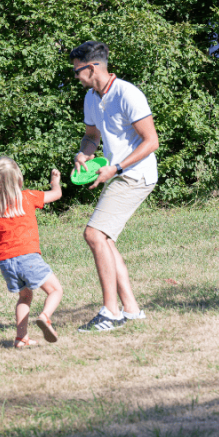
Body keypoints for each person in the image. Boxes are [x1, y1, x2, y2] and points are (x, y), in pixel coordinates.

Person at [70, 41, 159, 332]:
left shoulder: (128, 93)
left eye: (77, 70)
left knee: (94, 234)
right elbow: (92, 136)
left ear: (92, 67)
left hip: (135, 174)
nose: (75, 76)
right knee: (104, 239)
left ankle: (111, 312)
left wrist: (117, 168)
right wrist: (85, 152)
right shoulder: (91, 98)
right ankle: (130, 309)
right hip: (117, 172)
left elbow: (151, 141)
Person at [0, 157, 64, 348]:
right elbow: (56, 194)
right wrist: (55, 182)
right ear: (18, 178)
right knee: (55, 290)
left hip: (6, 262)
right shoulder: (28, 197)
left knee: (25, 297)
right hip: (28, 257)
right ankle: (45, 317)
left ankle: (21, 338)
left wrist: (6, 233)